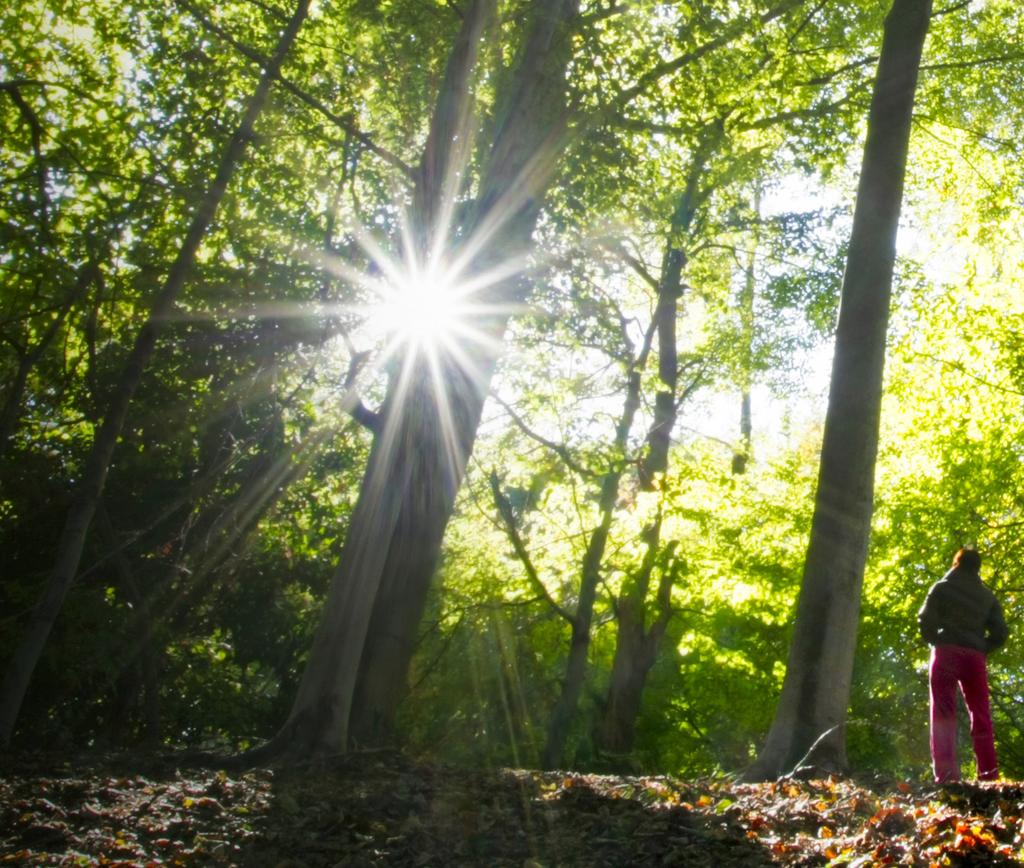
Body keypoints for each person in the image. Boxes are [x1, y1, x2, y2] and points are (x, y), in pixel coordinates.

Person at [918, 546, 1008, 782]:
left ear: (956, 563)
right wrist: (981, 646)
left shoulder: (941, 588)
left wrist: (937, 640)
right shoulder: (987, 596)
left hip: (946, 652)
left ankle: (947, 777)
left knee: (943, 713)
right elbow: (1001, 632)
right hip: (974, 658)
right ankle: (989, 776)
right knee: (981, 714)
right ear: (977, 568)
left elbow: (925, 619)